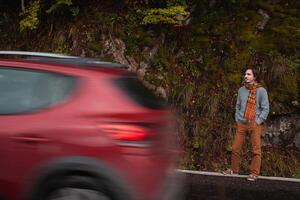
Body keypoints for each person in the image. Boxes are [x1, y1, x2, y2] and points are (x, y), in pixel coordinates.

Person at [223, 68, 269, 181]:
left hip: (255, 124)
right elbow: (237, 106)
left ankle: (254, 173)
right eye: (245, 74)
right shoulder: (241, 90)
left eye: (249, 74)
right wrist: (238, 119)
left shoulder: (261, 91)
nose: (246, 76)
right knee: (235, 148)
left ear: (254, 77)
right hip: (242, 123)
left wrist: (258, 121)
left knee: (256, 150)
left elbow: (266, 108)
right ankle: (234, 170)